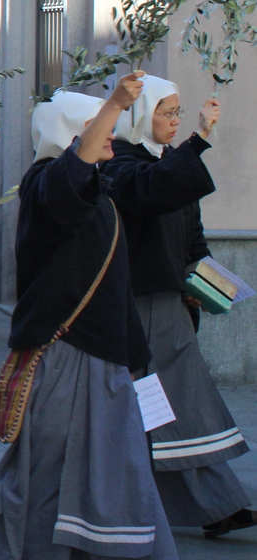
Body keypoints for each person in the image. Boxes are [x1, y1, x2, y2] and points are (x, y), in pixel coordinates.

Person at [0, 76, 178, 560]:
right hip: (66, 352)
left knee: (110, 461)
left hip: (103, 349)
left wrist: (134, 353)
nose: (111, 133)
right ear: (69, 134)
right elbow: (74, 175)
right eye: (97, 126)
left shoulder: (95, 185)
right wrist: (114, 102)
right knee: (47, 465)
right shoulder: (49, 182)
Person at [103, 76, 253, 538]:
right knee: (172, 407)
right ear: (139, 113)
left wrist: (203, 278)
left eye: (178, 113)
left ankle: (216, 506)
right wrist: (200, 141)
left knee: (165, 410)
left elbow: (191, 229)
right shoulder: (120, 162)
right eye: (166, 112)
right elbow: (150, 190)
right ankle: (216, 506)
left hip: (168, 302)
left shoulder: (166, 161)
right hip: (137, 303)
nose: (174, 121)